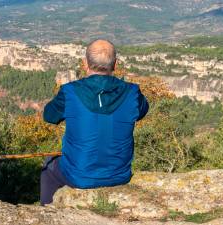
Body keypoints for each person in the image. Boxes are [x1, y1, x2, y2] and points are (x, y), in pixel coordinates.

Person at [40, 39, 149, 205]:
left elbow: (49, 115)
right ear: (115, 65)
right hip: (119, 175)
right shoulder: (133, 92)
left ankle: (48, 214)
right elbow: (142, 111)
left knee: (48, 166)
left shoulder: (70, 92)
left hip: (79, 176)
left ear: (85, 64)